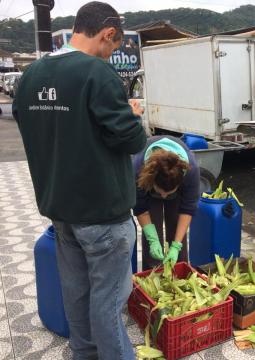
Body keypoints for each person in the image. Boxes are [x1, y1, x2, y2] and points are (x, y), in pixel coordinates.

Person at [13, 2, 146, 360]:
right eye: (112, 46)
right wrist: (133, 117)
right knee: (108, 299)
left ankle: (83, 354)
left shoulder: (33, 74)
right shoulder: (97, 73)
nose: (110, 53)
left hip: (61, 209)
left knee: (77, 292)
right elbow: (131, 141)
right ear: (107, 33)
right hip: (102, 209)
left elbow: (33, 122)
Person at [133, 135, 200, 270]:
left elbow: (187, 209)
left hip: (176, 190)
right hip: (148, 186)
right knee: (152, 234)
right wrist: (153, 239)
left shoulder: (192, 170)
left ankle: (179, 268)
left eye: (168, 193)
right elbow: (140, 206)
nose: (163, 196)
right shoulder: (138, 168)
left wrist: (176, 246)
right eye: (161, 192)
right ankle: (151, 273)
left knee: (176, 228)